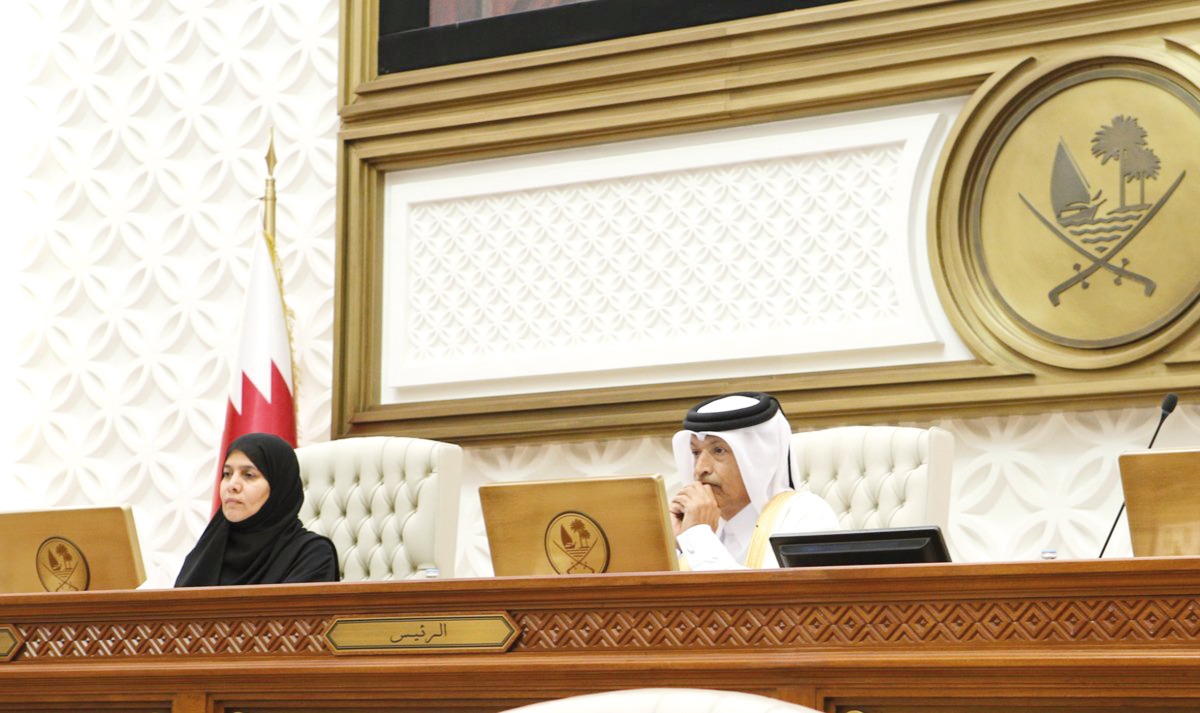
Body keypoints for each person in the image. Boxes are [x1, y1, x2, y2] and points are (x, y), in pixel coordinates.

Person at [670, 392, 838, 570]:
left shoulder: (806, 515)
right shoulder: (692, 522)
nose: (700, 469)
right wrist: (675, 544)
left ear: (759, 458)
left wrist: (697, 538)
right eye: (696, 453)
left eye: (719, 450)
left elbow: (762, 595)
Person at [175, 433, 339, 586]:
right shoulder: (209, 548)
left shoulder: (312, 555)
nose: (232, 485)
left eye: (248, 475)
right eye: (227, 474)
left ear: (278, 487)